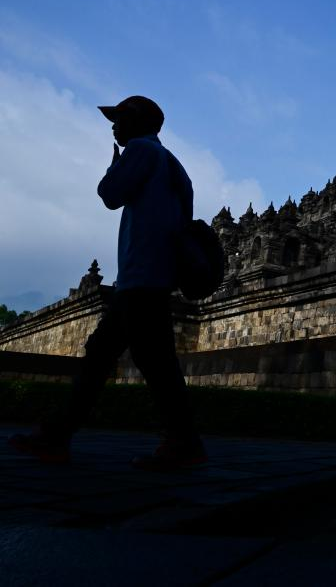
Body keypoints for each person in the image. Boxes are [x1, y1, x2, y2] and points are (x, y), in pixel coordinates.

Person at [8, 95, 207, 470]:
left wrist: (115, 166)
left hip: (140, 276)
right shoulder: (175, 165)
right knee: (112, 356)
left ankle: (182, 443)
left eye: (120, 119)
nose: (114, 127)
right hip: (156, 276)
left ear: (139, 122)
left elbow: (110, 195)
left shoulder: (140, 151)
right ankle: (57, 435)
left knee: (144, 361)